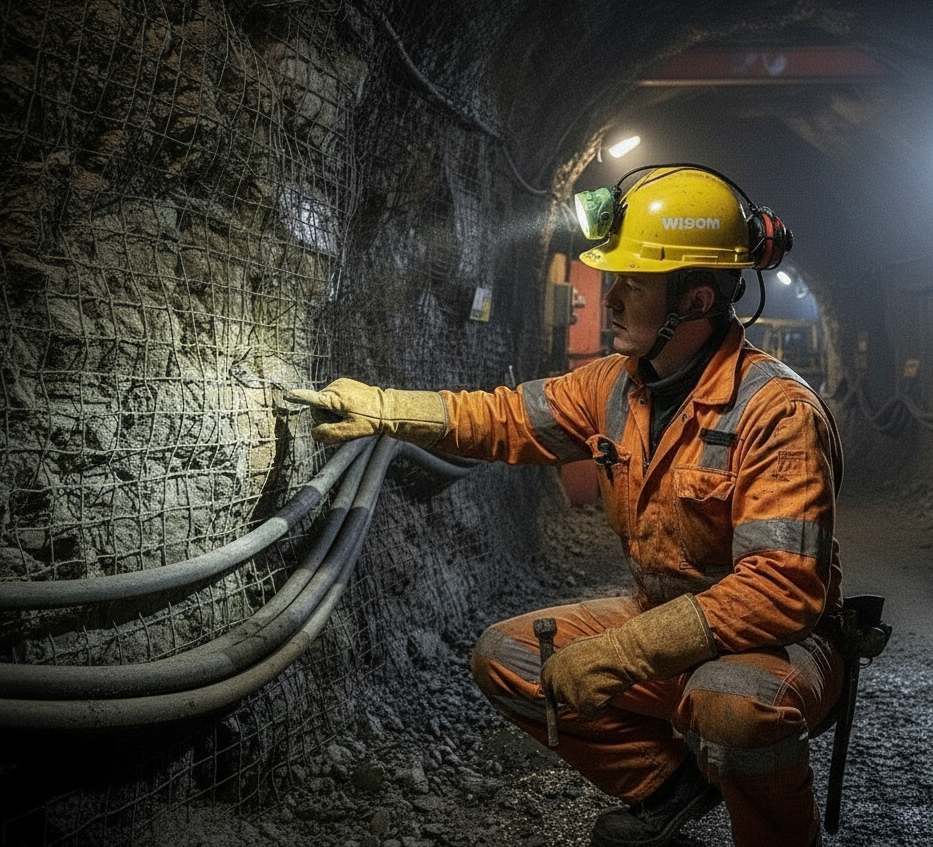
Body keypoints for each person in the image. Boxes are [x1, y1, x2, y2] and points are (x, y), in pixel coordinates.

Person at [291, 166, 845, 847]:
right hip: (665, 624)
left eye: (632, 286)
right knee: (510, 657)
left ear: (696, 298)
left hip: (774, 651)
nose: (608, 300)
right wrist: (387, 408)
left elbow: (779, 592)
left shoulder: (776, 411)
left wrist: (621, 653)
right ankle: (670, 789)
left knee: (732, 706)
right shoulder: (616, 384)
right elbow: (505, 420)